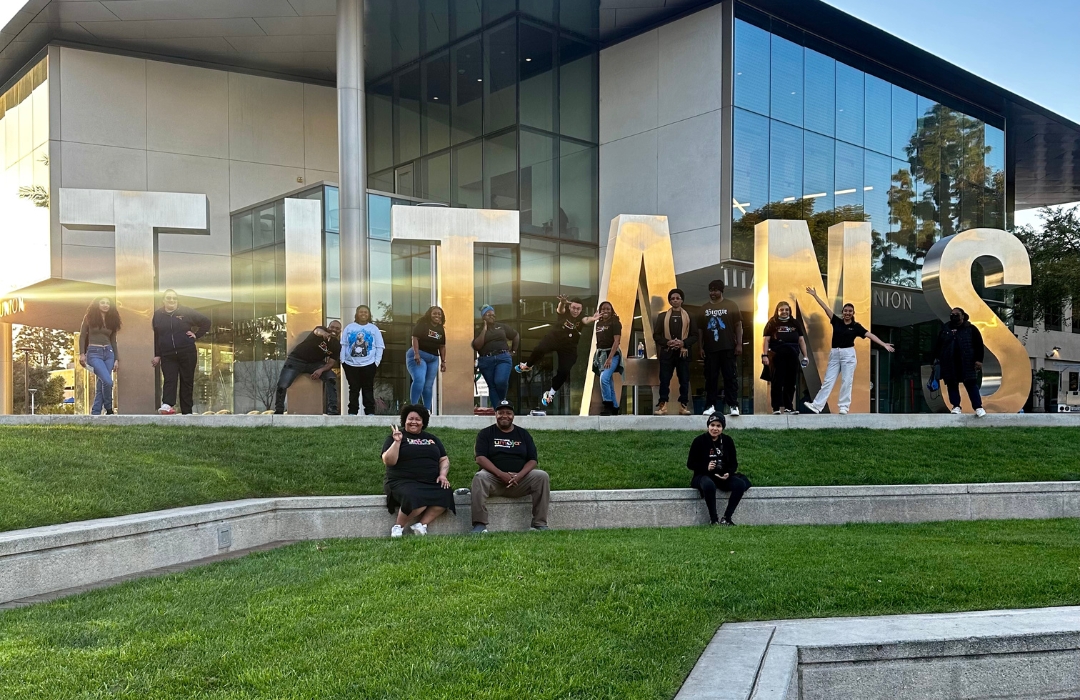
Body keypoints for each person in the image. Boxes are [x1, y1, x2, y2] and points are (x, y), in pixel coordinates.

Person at [803, 287, 895, 415]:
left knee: (847, 380)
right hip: (835, 353)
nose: (847, 313)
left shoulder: (856, 327)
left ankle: (844, 407)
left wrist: (883, 344)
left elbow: (870, 335)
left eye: (850, 311)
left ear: (853, 313)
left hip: (848, 355)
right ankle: (817, 405)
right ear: (842, 312)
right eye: (845, 311)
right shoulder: (836, 321)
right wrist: (815, 295)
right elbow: (825, 308)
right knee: (828, 380)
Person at [470, 399, 550, 533]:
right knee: (480, 477)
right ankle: (480, 525)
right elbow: (480, 458)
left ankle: (539, 523)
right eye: (500, 413)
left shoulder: (523, 434)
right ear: (495, 414)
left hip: (520, 481)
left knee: (542, 476)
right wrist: (501, 474)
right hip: (494, 480)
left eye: (508, 413)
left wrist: (519, 476)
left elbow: (533, 460)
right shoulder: (485, 433)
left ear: (513, 415)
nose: (504, 416)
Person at [382, 404, 455, 537]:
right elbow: (388, 461)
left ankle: (421, 524)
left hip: (429, 481)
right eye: (410, 418)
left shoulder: (432, 439)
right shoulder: (396, 437)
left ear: (423, 422)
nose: (413, 422)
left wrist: (443, 475)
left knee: (445, 493)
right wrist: (397, 442)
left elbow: (443, 459)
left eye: (418, 419)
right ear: (405, 420)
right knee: (417, 497)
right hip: (402, 481)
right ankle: (398, 527)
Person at [516, 295, 587, 408]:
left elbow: (587, 320)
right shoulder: (565, 313)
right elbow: (560, 309)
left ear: (581, 309)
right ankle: (528, 365)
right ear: (570, 307)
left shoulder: (582, 318)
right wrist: (563, 302)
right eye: (573, 308)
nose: (575, 311)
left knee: (564, 370)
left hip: (569, 346)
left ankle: (551, 393)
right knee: (540, 349)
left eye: (578, 309)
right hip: (555, 338)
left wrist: (594, 318)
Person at [152, 289, 211, 415]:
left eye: (174, 298)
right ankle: (167, 405)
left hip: (187, 352)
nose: (172, 300)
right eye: (168, 298)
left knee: (187, 380)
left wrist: (196, 335)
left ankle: (187, 411)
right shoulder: (158, 315)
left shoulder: (186, 312)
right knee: (169, 379)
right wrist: (157, 354)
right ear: (163, 300)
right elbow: (157, 336)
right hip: (167, 354)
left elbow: (206, 322)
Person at [686, 413, 751, 526]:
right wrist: (706, 466)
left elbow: (734, 463)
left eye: (718, 426)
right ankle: (714, 519)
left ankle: (727, 518)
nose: (715, 428)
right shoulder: (699, 441)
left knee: (740, 484)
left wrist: (728, 473)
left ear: (722, 428)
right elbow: (690, 464)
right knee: (708, 485)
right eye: (712, 425)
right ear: (708, 426)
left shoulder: (727, 441)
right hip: (703, 475)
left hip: (722, 476)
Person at [273, 320, 341, 415]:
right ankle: (279, 410)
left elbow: (330, 363)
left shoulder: (336, 345)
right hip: (296, 359)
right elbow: (318, 331)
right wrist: (325, 334)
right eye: (332, 327)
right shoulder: (321, 329)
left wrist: (320, 370)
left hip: (314, 364)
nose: (334, 329)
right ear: (328, 327)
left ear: (340, 331)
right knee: (283, 383)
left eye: (337, 328)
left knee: (331, 378)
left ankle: (333, 410)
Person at [697, 280, 743, 418]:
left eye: (715, 290)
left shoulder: (731, 305)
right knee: (711, 378)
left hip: (728, 347)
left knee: (730, 377)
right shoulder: (703, 308)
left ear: (721, 291)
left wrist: (739, 344)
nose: (713, 293)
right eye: (711, 290)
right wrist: (700, 347)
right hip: (710, 349)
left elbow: (738, 325)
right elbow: (700, 330)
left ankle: (733, 405)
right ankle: (710, 405)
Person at [934, 307, 986, 417]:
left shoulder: (971, 329)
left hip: (967, 362)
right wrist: (936, 360)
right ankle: (956, 406)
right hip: (949, 363)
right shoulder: (945, 330)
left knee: (971, 384)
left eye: (956, 314)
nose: (954, 316)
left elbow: (978, 345)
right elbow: (938, 346)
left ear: (963, 316)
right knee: (952, 385)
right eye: (952, 314)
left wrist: (978, 360)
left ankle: (978, 407)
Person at [653, 288, 697, 415]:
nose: (675, 300)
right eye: (672, 298)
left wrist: (683, 343)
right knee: (664, 380)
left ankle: (683, 406)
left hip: (683, 353)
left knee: (684, 380)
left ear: (682, 300)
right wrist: (667, 342)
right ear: (670, 301)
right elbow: (656, 335)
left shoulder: (690, 316)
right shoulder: (662, 316)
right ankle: (663, 406)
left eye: (678, 298)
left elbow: (694, 336)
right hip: (667, 352)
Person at [761, 301, 808, 415]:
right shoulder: (772, 323)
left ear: (789, 311)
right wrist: (765, 355)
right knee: (777, 382)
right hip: (777, 356)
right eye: (781, 310)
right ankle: (776, 408)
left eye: (786, 310)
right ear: (777, 311)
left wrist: (805, 356)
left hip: (792, 355)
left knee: (791, 383)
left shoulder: (795, 323)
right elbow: (766, 340)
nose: (784, 312)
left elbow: (801, 340)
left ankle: (788, 407)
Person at [79, 296, 121, 416]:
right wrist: (81, 353)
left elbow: (113, 341)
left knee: (101, 383)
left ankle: (96, 412)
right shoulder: (89, 318)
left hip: (109, 353)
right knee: (108, 382)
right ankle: (108, 407)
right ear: (97, 304)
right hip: (94, 353)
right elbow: (82, 336)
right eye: (102, 302)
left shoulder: (112, 320)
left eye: (108, 303)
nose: (105, 305)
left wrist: (116, 359)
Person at [340, 305, 384, 415]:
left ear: (369, 315)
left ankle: (370, 412)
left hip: (369, 364)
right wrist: (343, 361)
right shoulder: (349, 327)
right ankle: (352, 412)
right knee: (353, 389)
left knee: (368, 388)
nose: (363, 314)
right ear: (357, 314)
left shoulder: (373, 329)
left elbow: (380, 346)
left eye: (366, 312)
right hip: (350, 365)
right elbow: (343, 345)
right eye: (361, 312)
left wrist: (376, 362)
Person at [473, 305, 518, 408]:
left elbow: (515, 336)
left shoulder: (502, 327)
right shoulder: (478, 330)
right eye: (488, 314)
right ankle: (498, 411)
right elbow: (477, 345)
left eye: (493, 314)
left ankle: (502, 403)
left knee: (501, 381)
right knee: (492, 387)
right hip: (486, 360)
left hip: (503, 357)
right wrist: (484, 329)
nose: (492, 316)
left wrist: (513, 351)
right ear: (483, 316)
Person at [408, 306, 446, 411]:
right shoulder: (423, 324)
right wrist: (416, 354)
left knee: (428, 385)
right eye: (434, 313)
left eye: (439, 314)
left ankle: (426, 410)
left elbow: (442, 346)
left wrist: (443, 362)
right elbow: (415, 338)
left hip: (433, 358)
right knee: (420, 380)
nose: (437, 316)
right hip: (419, 355)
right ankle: (414, 407)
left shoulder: (440, 328)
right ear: (429, 314)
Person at [589, 301, 623, 415]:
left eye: (608, 309)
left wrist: (609, 359)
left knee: (604, 378)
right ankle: (615, 407)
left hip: (612, 354)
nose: (605, 311)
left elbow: (616, 341)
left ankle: (607, 406)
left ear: (612, 310)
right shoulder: (598, 324)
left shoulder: (615, 322)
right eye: (603, 309)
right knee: (609, 381)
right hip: (601, 355)